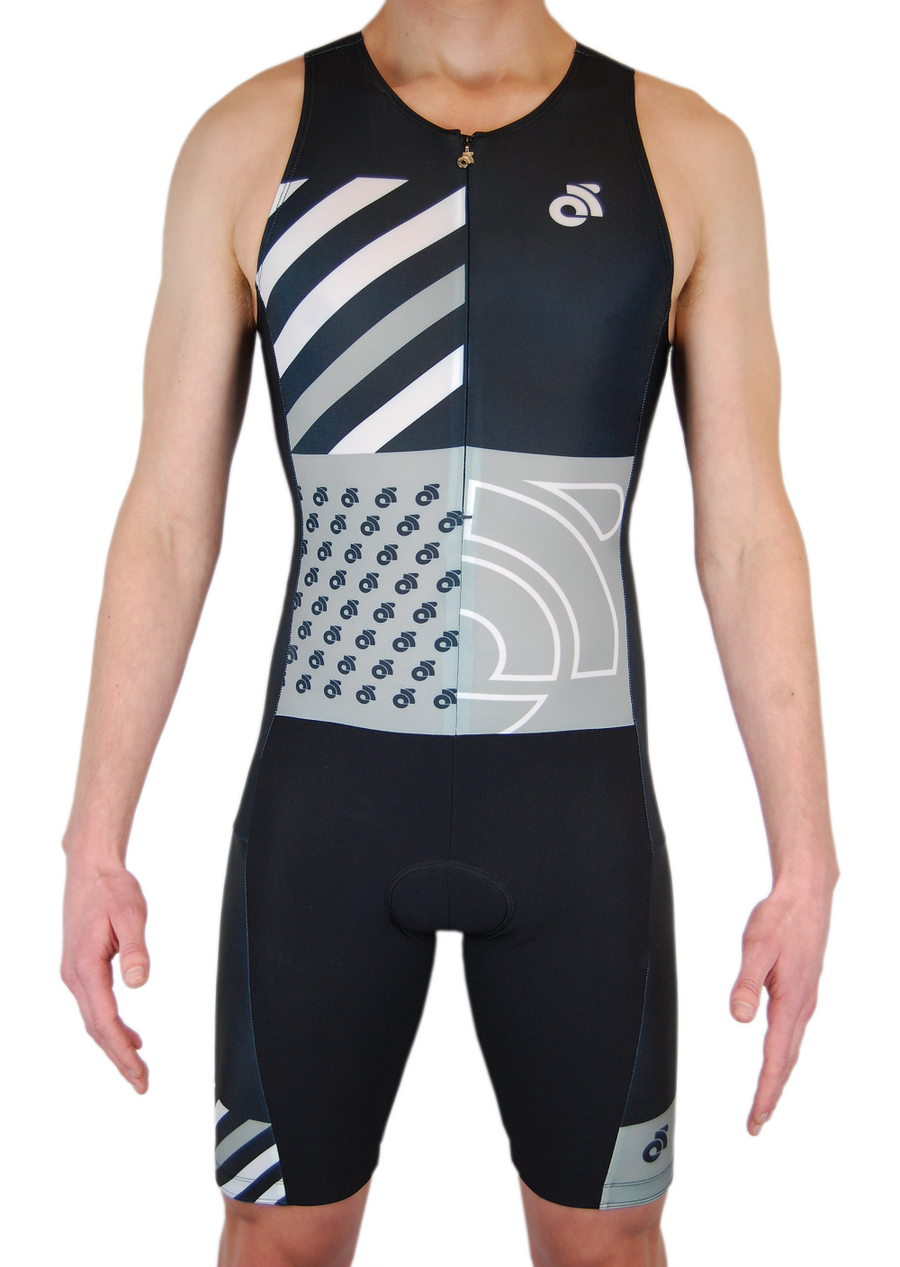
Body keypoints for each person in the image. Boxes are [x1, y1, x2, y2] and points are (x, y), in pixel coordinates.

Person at [60, 2, 838, 1264]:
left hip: (576, 820)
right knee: (274, 1235)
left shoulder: (685, 150)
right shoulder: (251, 141)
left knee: (609, 1239)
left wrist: (806, 859)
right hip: (327, 813)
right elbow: (166, 518)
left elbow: (747, 531)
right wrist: (95, 838)